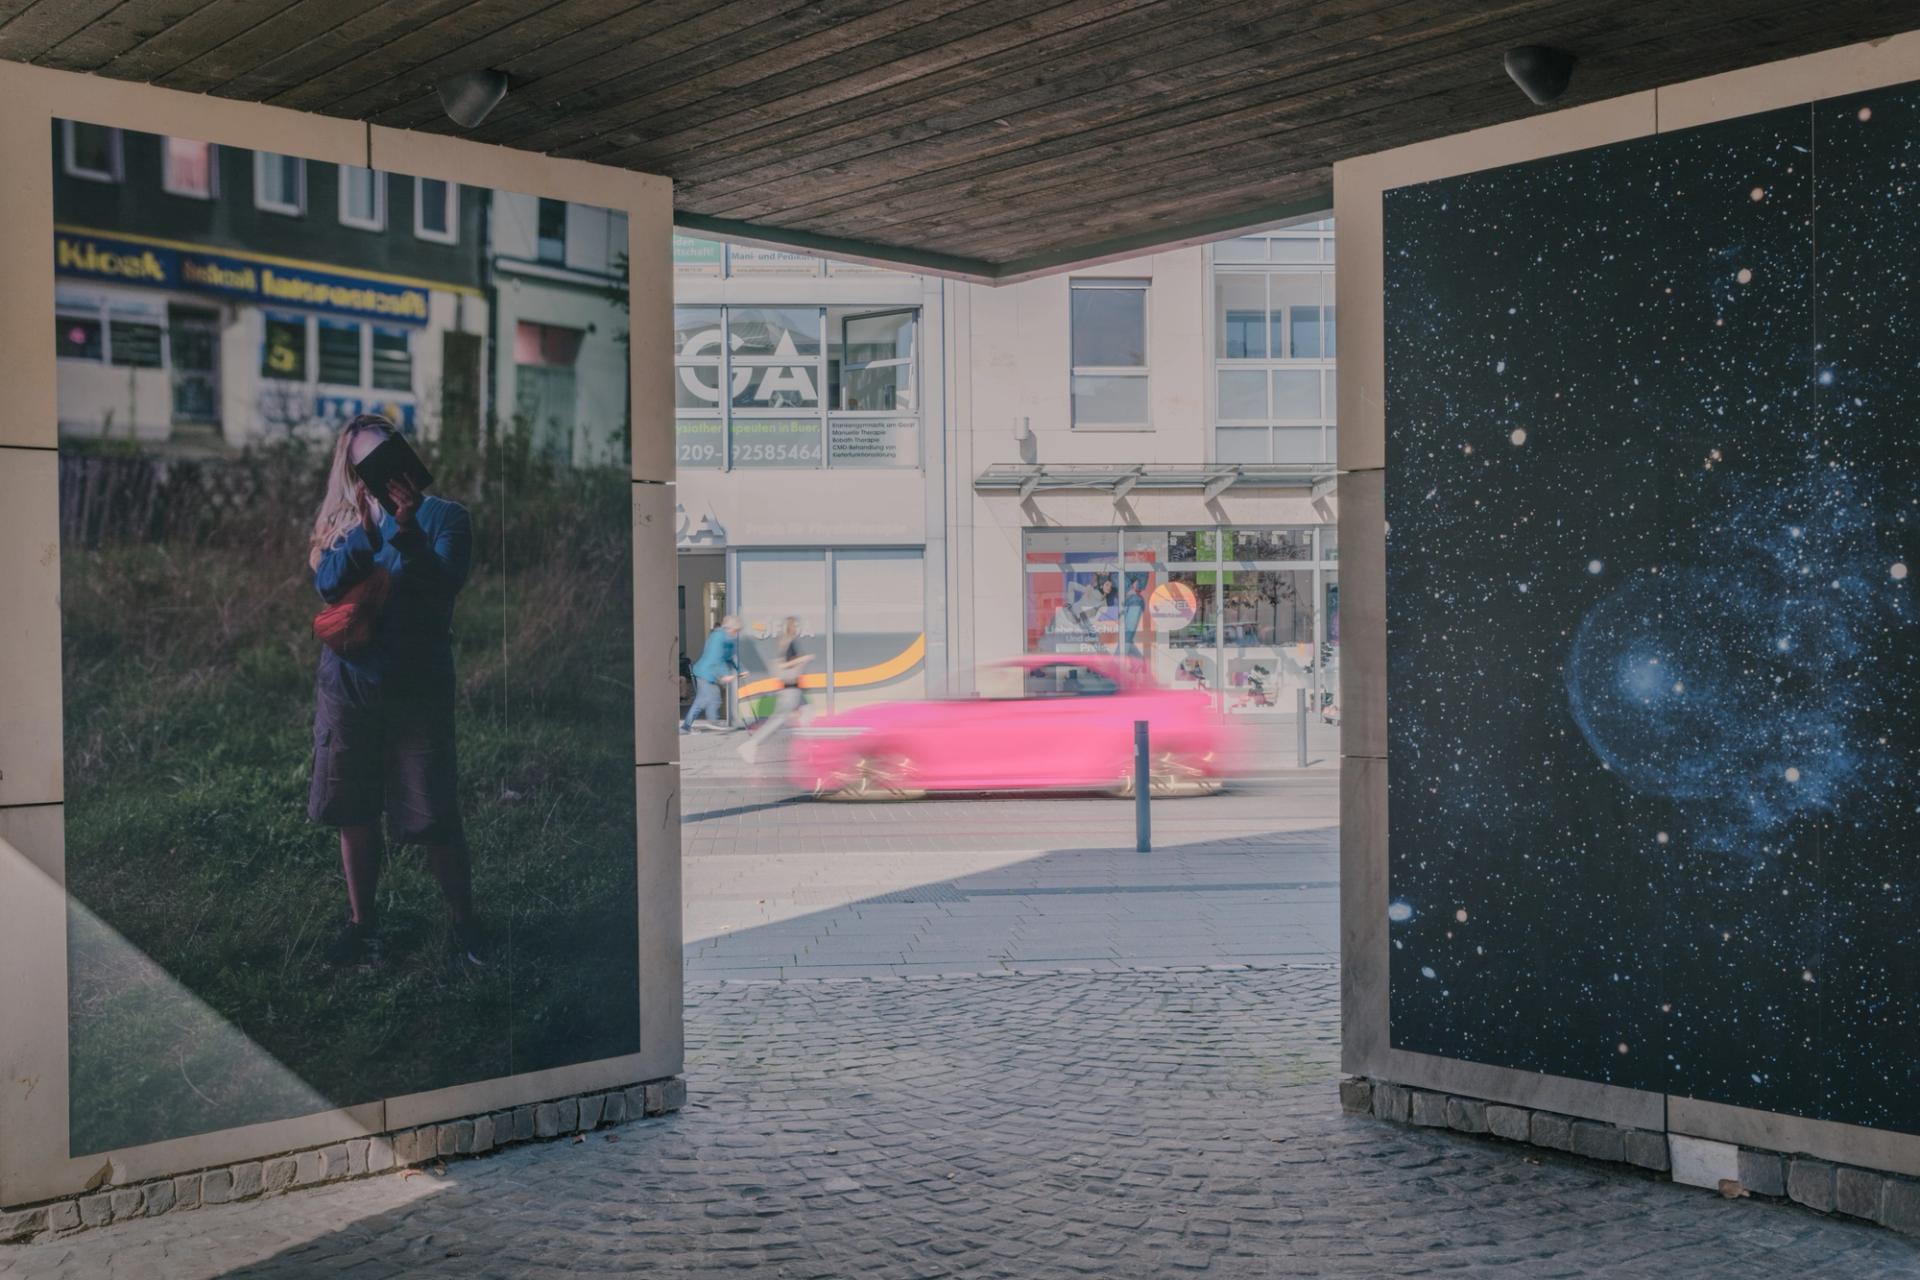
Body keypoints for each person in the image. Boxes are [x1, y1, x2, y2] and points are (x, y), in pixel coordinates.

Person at [307, 413, 479, 969]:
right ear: (351, 470)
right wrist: (367, 533)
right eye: (364, 462)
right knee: (352, 809)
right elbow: (328, 585)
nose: (377, 471)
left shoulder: (447, 517)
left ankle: (464, 925)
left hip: (417, 686)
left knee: (433, 812)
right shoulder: (341, 521)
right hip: (349, 682)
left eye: (387, 453)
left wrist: (406, 531)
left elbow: (442, 589)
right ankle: (363, 926)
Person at [738, 616, 812, 764]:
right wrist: (803, 659)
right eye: (795, 625)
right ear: (789, 627)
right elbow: (783, 665)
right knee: (778, 720)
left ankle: (808, 751)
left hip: (794, 690)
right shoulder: (787, 643)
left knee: (806, 716)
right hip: (789, 690)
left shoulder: (787, 642)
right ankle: (750, 745)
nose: (797, 628)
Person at [681, 615, 740, 732]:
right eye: (735, 630)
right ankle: (713, 721)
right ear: (729, 628)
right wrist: (725, 674)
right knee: (714, 696)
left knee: (700, 701)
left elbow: (729, 658)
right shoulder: (718, 637)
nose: (737, 632)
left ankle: (685, 726)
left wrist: (739, 670)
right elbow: (716, 657)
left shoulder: (729, 640)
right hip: (706, 672)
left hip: (709, 672)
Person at [1121, 578, 1146, 657]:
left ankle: (1116, 662)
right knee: (1126, 637)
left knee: (1126, 637)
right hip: (1128, 602)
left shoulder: (1135, 599)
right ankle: (1139, 660)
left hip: (1133, 601)